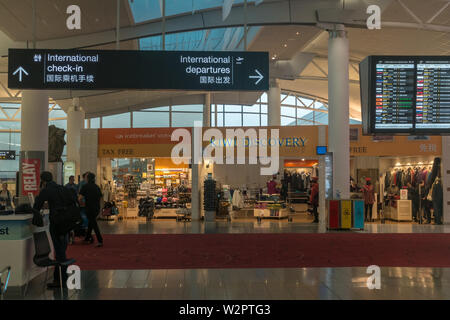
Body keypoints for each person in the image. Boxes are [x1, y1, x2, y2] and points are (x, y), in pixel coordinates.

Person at [33, 171, 70, 289]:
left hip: (57, 224)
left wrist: (40, 192)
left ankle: (61, 280)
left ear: (42, 181)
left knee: (59, 252)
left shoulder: (46, 190)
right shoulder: (61, 188)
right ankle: (59, 278)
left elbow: (36, 206)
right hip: (67, 222)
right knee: (62, 250)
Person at [79, 172, 103, 247]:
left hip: (89, 208)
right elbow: (101, 199)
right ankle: (87, 238)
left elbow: (80, 198)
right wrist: (101, 210)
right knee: (91, 223)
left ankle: (100, 240)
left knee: (94, 224)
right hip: (96, 208)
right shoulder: (97, 187)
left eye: (86, 177)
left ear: (87, 178)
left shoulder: (85, 187)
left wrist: (81, 204)